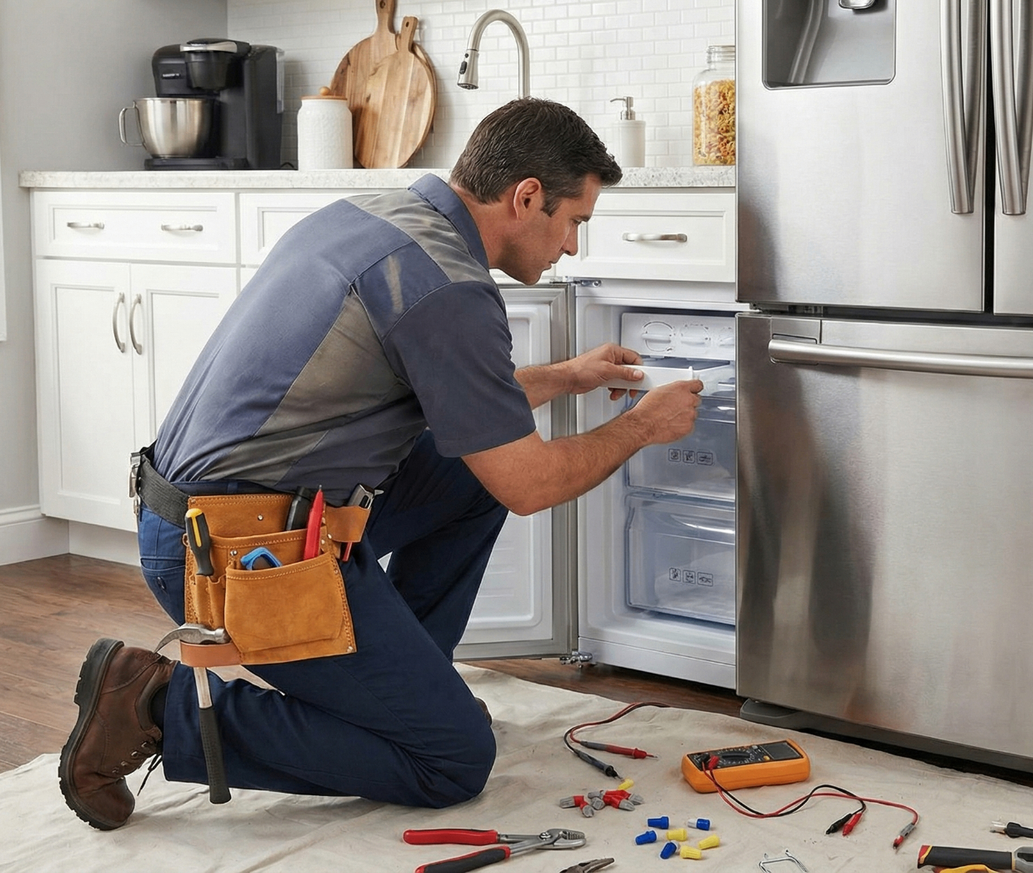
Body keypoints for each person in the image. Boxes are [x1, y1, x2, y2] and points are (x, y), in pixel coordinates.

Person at [58, 98, 704, 830]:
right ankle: (152, 705)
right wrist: (641, 428)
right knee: (453, 759)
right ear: (526, 197)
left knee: (469, 475)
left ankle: (407, 691)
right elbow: (530, 484)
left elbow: (466, 413)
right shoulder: (451, 289)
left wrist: (566, 376)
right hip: (226, 555)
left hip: (205, 515)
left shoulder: (374, 220)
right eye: (574, 221)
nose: (573, 247)